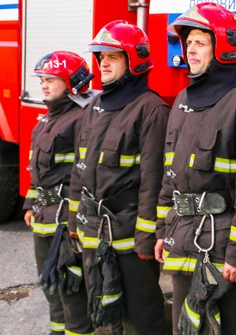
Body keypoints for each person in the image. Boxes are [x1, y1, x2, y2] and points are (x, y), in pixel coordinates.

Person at [154, 2, 236, 334]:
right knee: (185, 328)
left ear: (223, 47)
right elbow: (170, 176)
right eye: (188, 42)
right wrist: (162, 231)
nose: (191, 49)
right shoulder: (183, 100)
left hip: (224, 253)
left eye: (201, 42)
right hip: (182, 239)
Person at [69, 20, 170, 334]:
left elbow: (154, 181)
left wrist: (146, 237)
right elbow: (80, 168)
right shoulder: (95, 106)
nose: (103, 63)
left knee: (141, 316)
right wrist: (74, 220)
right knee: (102, 312)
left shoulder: (151, 109)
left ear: (134, 60)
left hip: (129, 238)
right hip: (93, 233)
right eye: (101, 57)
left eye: (112, 56)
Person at [23, 51, 95, 335]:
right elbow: (38, 170)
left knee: (71, 288)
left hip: (64, 220)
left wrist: (75, 218)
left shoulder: (81, 120)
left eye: (51, 79)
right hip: (43, 217)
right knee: (51, 286)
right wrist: (30, 202)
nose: (44, 85)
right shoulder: (45, 120)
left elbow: (83, 173)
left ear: (72, 83)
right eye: (42, 80)